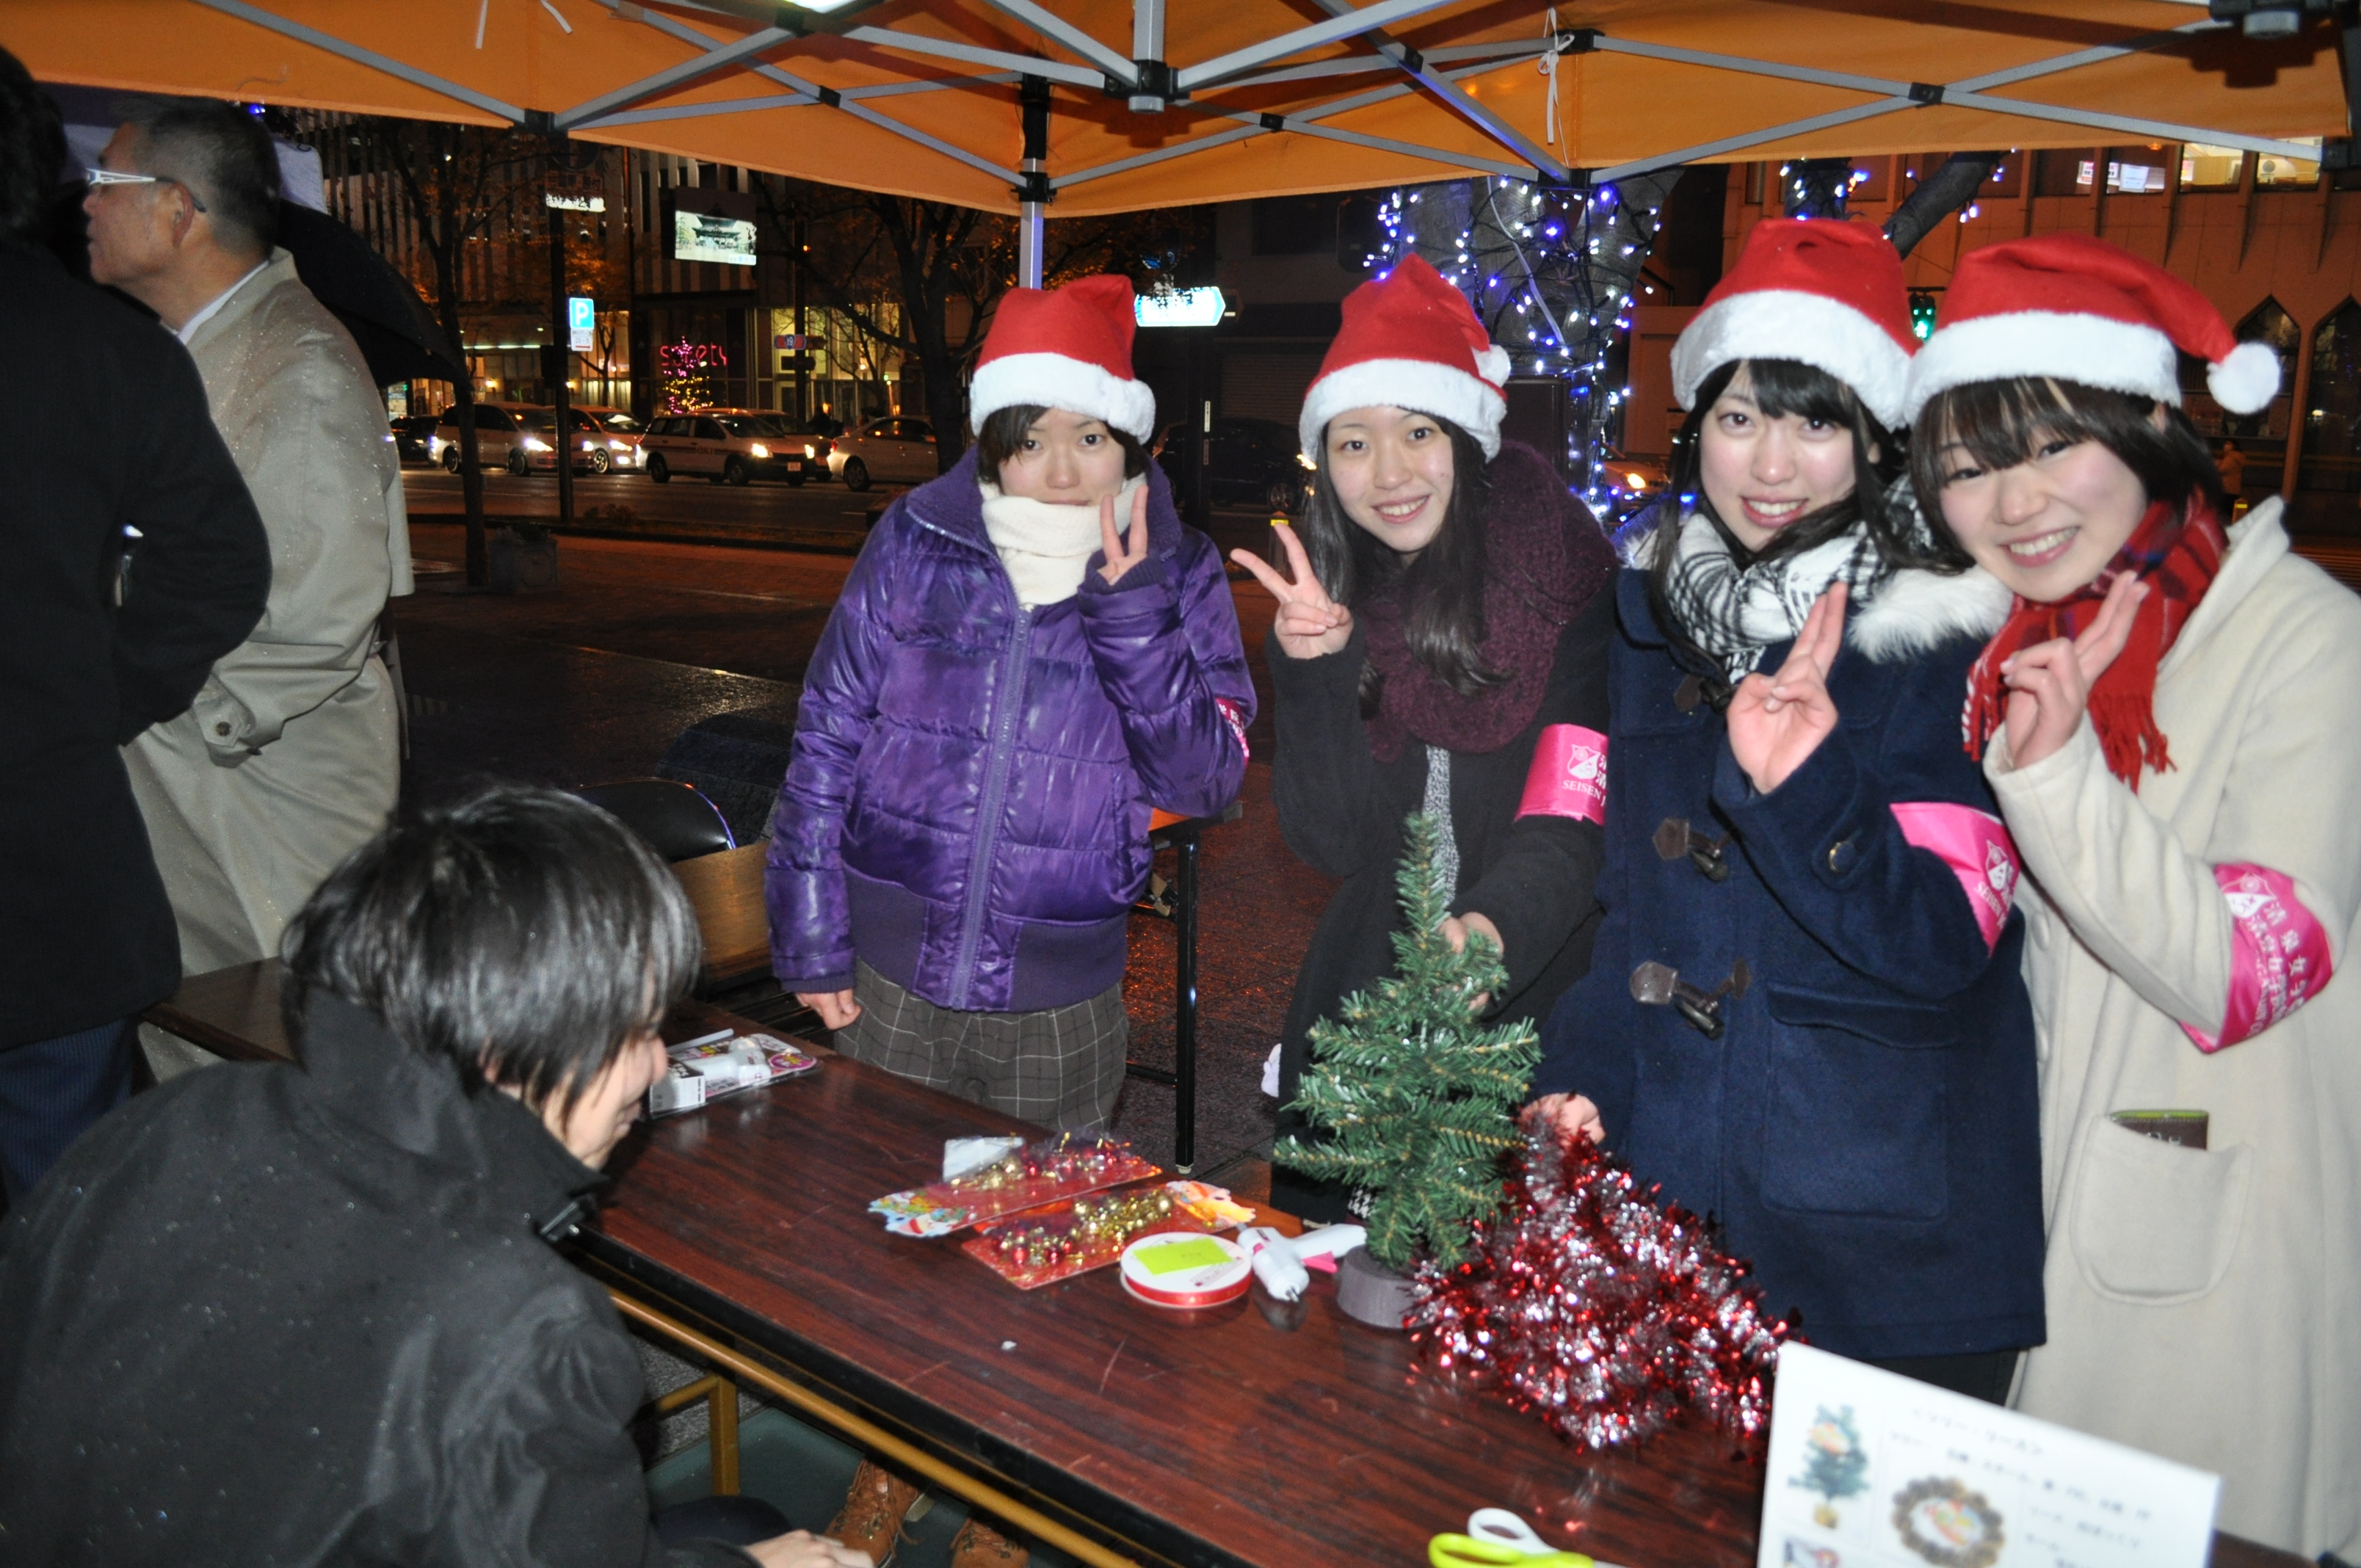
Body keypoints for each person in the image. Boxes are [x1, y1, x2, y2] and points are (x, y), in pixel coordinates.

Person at [0, 788, 868, 1568]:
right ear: (511, 1048)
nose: (655, 1067)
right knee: (758, 1528)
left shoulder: (173, 1119)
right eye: (638, 1030)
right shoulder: (523, 1325)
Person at [1526, 220, 2045, 1401]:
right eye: (1738, 416)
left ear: (1874, 440)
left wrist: (1809, 782)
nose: (1770, 462)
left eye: (1815, 421)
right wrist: (1583, 1076)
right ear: (1693, 427)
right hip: (1673, 1201)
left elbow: (1946, 948)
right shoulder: (1650, 626)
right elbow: (1630, 917)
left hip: (1880, 1241)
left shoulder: (1951, 639)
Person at [1905, 233, 2361, 1558]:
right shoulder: (2020, 648)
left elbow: (2245, 971)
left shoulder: (2307, 645)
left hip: (2215, 1249)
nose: (2014, 500)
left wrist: (2052, 787)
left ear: (2154, 423)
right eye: (1970, 466)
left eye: (2054, 444)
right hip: (2040, 1220)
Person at [1230, 255, 1618, 1224]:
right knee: (1325, 1334)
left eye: (1417, 433)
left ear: (1466, 439)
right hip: (1361, 1012)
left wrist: (1485, 938)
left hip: (1520, 1013)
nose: (1389, 473)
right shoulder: (1342, 588)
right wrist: (1316, 670)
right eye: (1354, 444)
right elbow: (1332, 843)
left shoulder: (1569, 589)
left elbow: (1572, 819)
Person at [0, 54, 269, 1203]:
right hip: (45, 882)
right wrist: (93, 694)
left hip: (53, 885)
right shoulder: (104, 347)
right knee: (71, 1234)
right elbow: (220, 565)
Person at [84, 96, 413, 1016]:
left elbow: (317, 614)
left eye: (105, 184)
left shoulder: (293, 365)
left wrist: (135, 704)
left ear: (177, 210)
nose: (86, 204)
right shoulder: (190, 352)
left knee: (267, 1041)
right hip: (203, 783)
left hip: (259, 798)